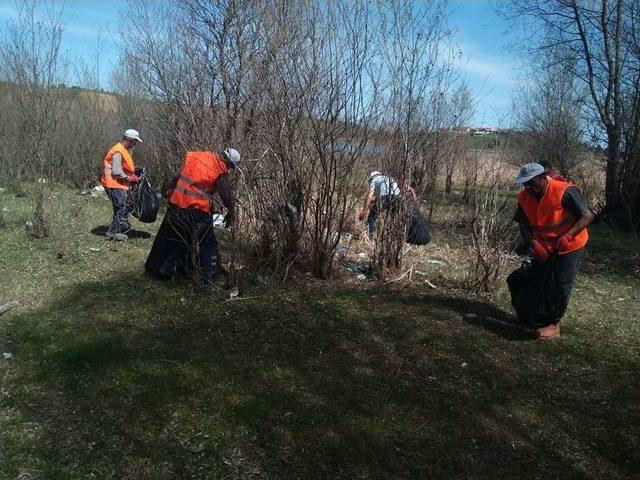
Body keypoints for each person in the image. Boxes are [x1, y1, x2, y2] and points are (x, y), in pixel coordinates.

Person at [509, 162, 593, 339]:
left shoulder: (564, 191)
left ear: (542, 178)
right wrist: (534, 245)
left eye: (532, 183)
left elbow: (586, 216)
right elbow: (523, 226)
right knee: (535, 280)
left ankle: (553, 325)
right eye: (525, 184)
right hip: (545, 246)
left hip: (571, 243)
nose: (528, 187)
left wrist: (568, 236)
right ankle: (534, 317)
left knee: (560, 284)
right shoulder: (524, 198)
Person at [145, 148, 240, 286]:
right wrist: (231, 212)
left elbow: (179, 176)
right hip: (195, 209)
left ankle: (161, 268)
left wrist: (168, 190)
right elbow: (226, 196)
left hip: (176, 203)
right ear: (228, 162)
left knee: (176, 238)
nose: (229, 169)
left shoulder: (198, 156)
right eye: (230, 166)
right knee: (207, 243)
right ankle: (208, 276)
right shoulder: (220, 169)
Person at [100, 129, 143, 240]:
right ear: (129, 140)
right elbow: (116, 172)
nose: (135, 144)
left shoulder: (123, 150)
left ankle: (115, 230)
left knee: (119, 207)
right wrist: (130, 178)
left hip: (115, 184)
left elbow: (123, 167)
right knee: (122, 207)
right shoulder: (118, 151)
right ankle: (114, 232)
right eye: (135, 141)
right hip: (113, 184)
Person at [358, 171, 401, 236]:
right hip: (396, 198)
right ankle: (393, 237)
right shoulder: (390, 178)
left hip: (384, 199)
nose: (370, 182)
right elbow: (391, 193)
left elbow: (370, 196)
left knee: (371, 217)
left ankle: (372, 237)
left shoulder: (374, 180)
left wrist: (364, 210)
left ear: (372, 177)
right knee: (394, 219)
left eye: (370, 180)